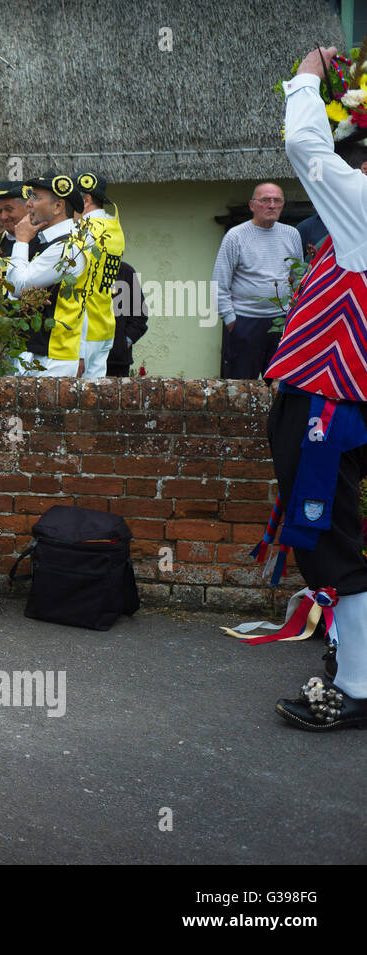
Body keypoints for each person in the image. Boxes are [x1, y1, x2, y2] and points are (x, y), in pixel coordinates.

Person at [263, 45, 367, 731]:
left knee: (325, 530)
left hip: (331, 394)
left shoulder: (361, 204)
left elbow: (304, 141)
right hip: (345, 392)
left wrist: (306, 75)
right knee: (333, 524)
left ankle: (358, 686)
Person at [212, 182, 302, 379]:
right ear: (252, 205)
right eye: (265, 200)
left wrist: (294, 316)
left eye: (277, 200)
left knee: (280, 387)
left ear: (282, 205)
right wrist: (230, 320)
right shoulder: (235, 236)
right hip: (245, 322)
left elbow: (299, 280)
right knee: (241, 388)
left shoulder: (292, 235)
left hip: (282, 322)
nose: (271, 205)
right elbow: (219, 282)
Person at [6, 172, 87, 376]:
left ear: (58, 206)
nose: (28, 204)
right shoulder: (59, 242)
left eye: (35, 197)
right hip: (47, 353)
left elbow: (16, 285)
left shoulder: (65, 246)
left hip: (53, 357)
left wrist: (21, 240)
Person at [67, 169, 125, 379]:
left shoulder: (83, 231)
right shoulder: (115, 227)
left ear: (87, 199)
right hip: (105, 326)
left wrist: (80, 349)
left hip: (84, 330)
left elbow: (79, 286)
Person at [106, 260, 149, 377]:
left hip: (116, 362)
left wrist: (124, 342)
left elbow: (140, 314)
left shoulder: (126, 272)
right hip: (85, 359)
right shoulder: (86, 269)